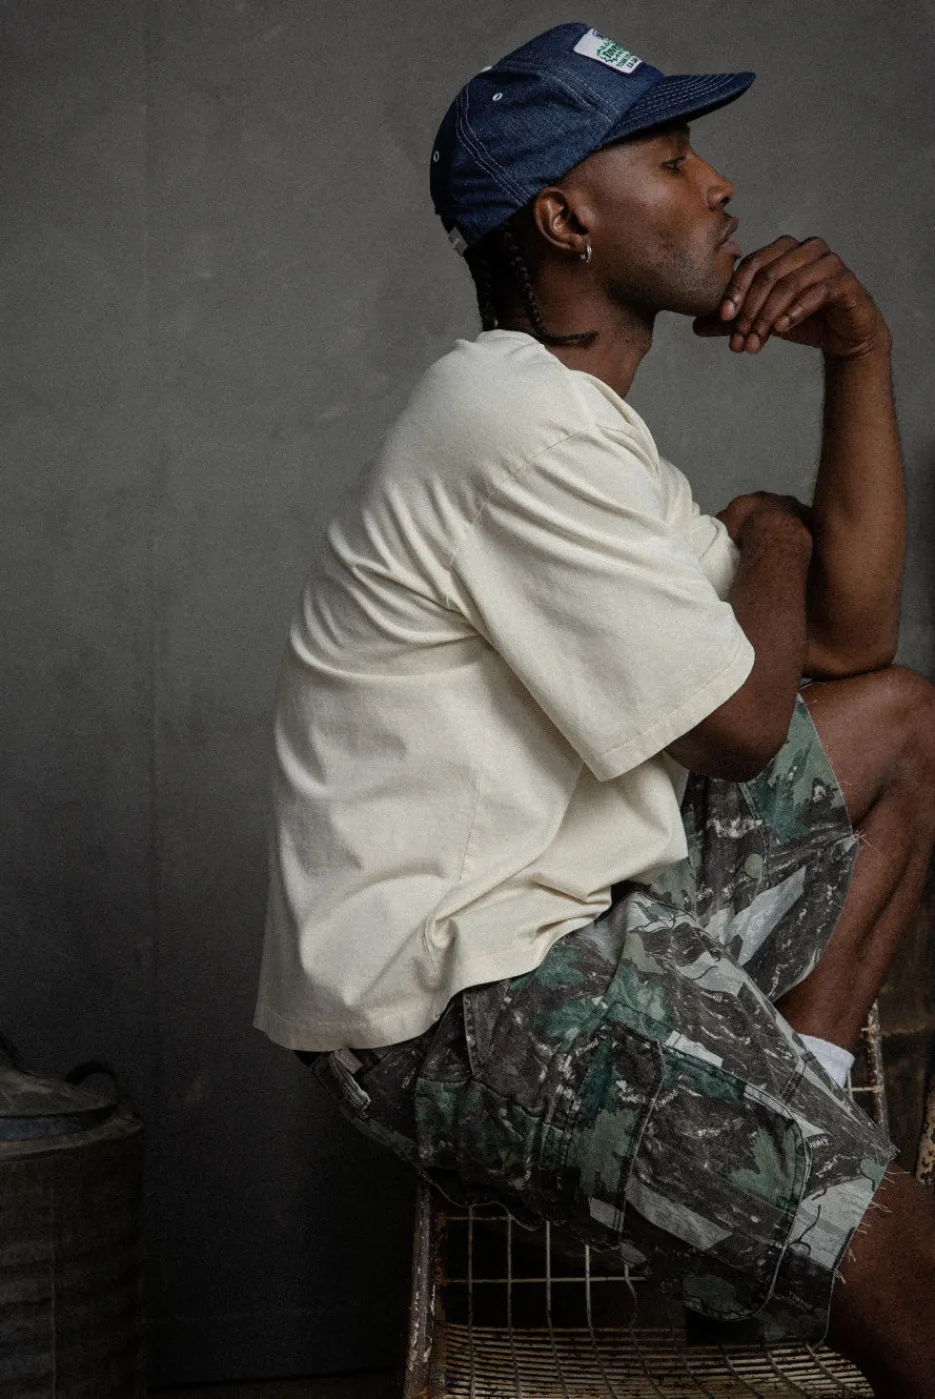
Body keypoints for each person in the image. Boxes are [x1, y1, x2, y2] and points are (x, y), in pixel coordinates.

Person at [253, 22, 935, 1392]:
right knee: (913, 1265)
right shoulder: (504, 414)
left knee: (904, 726)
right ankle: (816, 1213)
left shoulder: (586, 437)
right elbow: (741, 725)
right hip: (461, 997)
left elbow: (849, 646)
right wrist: (771, 533)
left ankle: (790, 1134)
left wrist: (856, 352)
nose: (718, 186)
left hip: (569, 917)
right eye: (672, 162)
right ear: (565, 220)